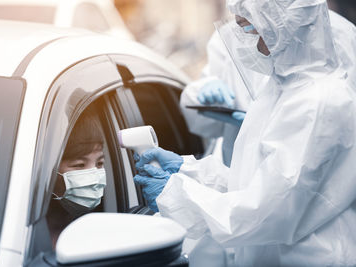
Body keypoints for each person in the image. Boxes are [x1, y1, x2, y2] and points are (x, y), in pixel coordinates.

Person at [134, 0, 356, 266]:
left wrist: (177, 195)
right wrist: (190, 171)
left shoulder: (316, 102)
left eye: (246, 27)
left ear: (280, 26)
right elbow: (255, 183)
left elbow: (269, 210)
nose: (241, 41)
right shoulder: (283, 88)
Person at [181, 9, 356, 167]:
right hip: (240, 165)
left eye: (249, 25)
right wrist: (204, 92)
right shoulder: (232, 33)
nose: (249, 41)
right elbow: (250, 195)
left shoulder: (339, 36)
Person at [47, 109, 106, 247]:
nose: (94, 177)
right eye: (79, 165)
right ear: (49, 169)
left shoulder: (100, 224)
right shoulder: (21, 221)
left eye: (100, 163)